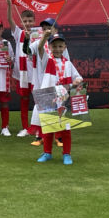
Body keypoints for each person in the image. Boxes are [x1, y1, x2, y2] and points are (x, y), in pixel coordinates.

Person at [34, 31, 83, 165]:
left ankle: (66, 154)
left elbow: (78, 77)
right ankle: (47, 153)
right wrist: (44, 37)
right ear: (49, 47)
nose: (57, 49)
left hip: (64, 100)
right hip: (49, 97)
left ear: (65, 47)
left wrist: (77, 80)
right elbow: (39, 48)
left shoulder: (68, 64)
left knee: (65, 130)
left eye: (60, 46)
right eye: (54, 46)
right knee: (49, 128)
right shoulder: (46, 60)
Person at [6, 0, 36, 137]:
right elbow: (10, 20)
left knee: (38, 102)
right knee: (24, 101)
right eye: (25, 21)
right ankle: (25, 127)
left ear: (34, 22)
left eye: (30, 21)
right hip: (22, 75)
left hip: (36, 74)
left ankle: (37, 129)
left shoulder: (39, 34)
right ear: (22, 21)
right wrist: (9, 6)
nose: (28, 23)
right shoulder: (18, 33)